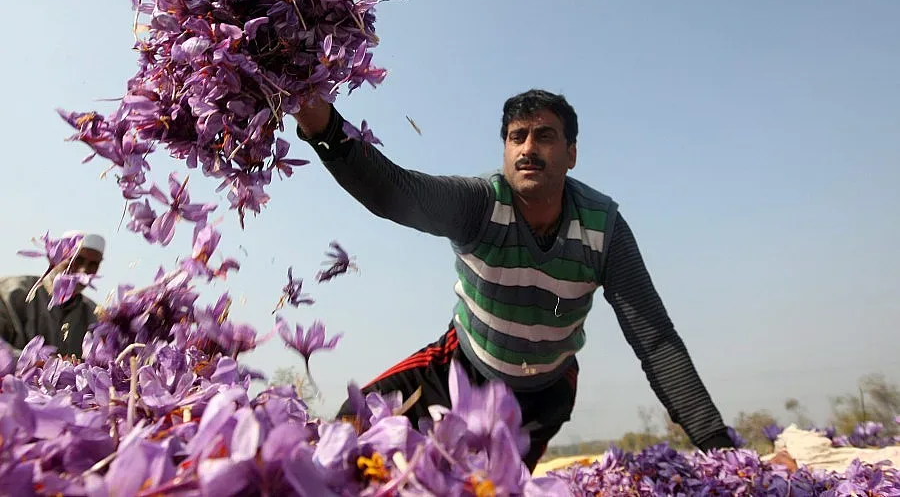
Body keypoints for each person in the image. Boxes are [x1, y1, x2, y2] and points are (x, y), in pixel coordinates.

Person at [293, 89, 735, 470]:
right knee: (348, 430)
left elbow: (656, 342)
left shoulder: (605, 230)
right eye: (516, 137)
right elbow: (397, 191)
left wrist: (723, 454)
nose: (528, 149)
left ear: (572, 153)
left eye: (544, 136)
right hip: (459, 368)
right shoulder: (480, 203)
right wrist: (323, 127)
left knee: (490, 488)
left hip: (540, 398)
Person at [0, 231, 104, 358]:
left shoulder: (95, 316)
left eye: (93, 264)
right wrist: (40, 364)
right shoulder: (11, 291)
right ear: (54, 256)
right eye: (77, 260)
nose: (83, 270)